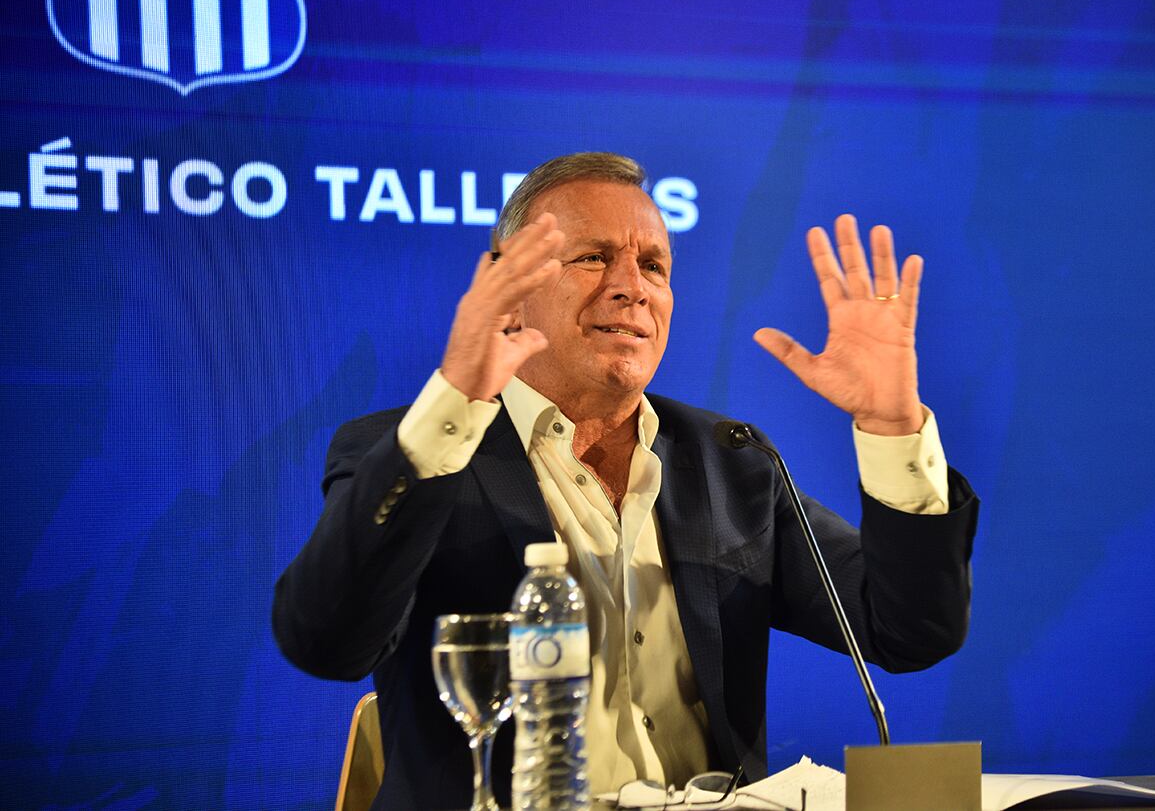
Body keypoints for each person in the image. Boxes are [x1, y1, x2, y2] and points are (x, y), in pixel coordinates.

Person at [273, 152, 978, 809]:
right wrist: (451, 405)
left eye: (653, 265)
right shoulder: (416, 452)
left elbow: (909, 629)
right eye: (593, 258)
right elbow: (326, 642)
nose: (632, 288)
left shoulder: (732, 461)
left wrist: (893, 426)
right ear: (507, 292)